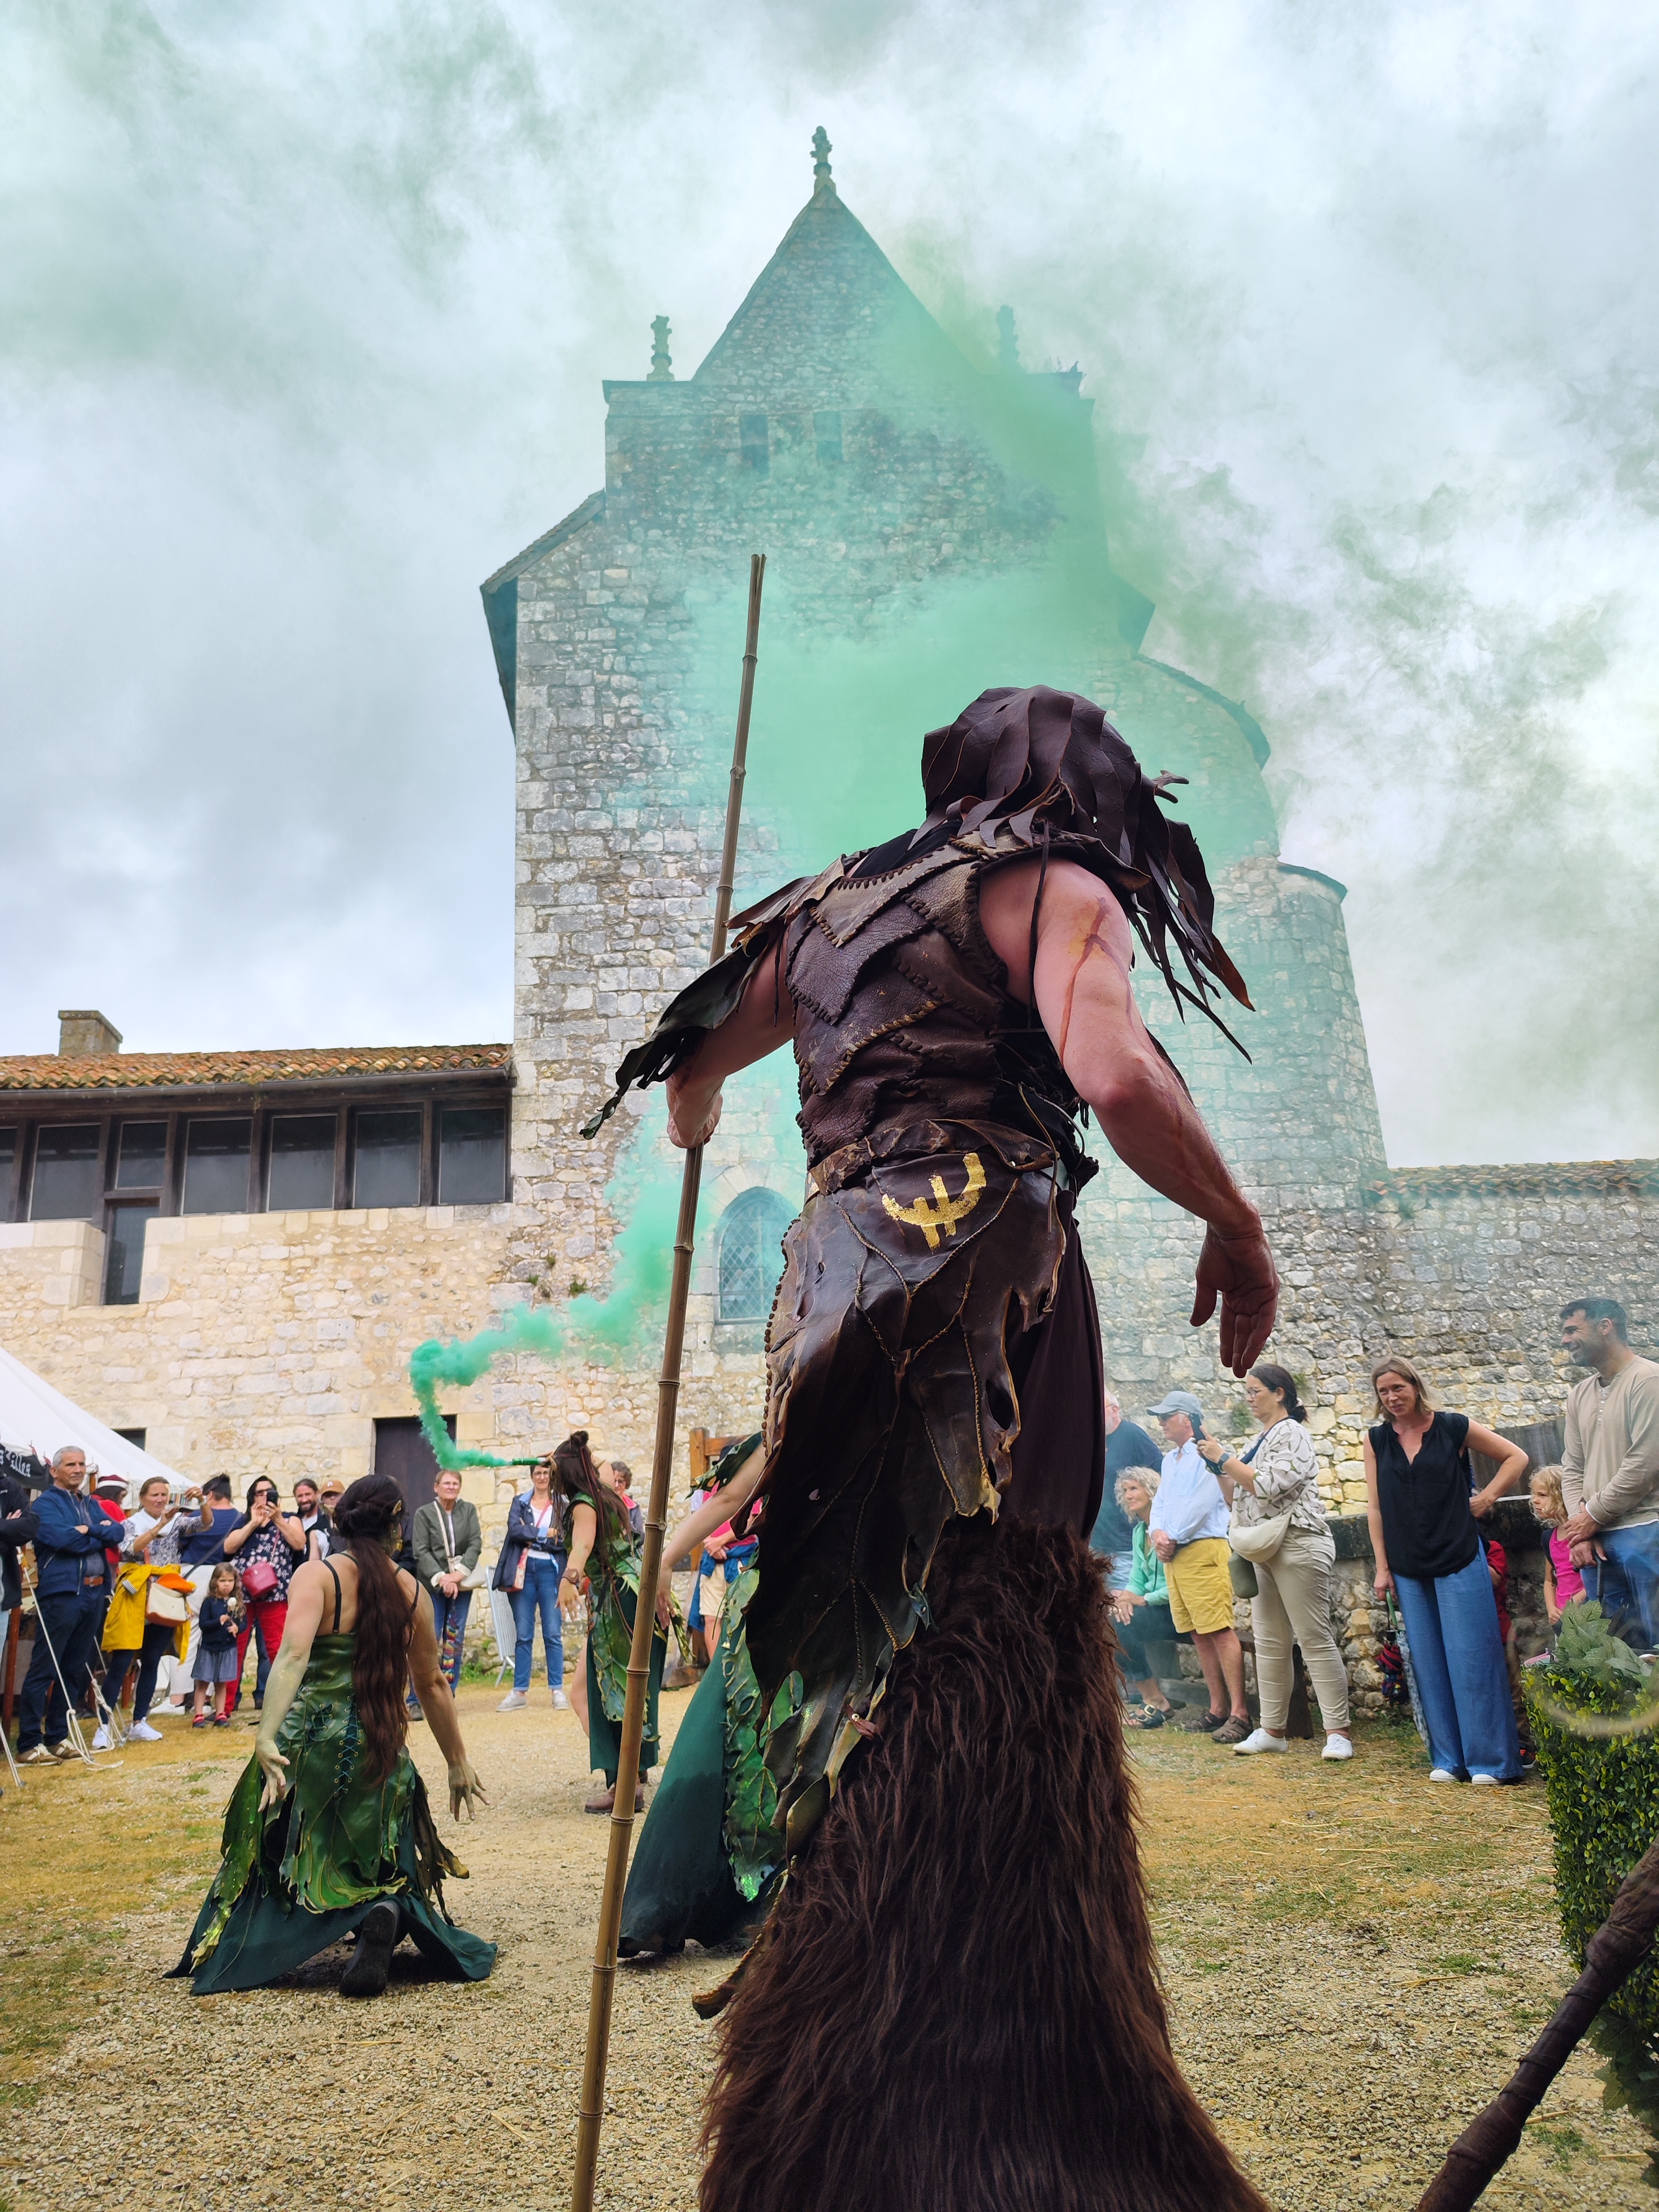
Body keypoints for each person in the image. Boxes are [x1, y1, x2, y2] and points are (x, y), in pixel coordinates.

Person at [586, 683, 1279, 2209]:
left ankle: (843, 2083)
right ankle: (1003, 2082)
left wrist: (706, 1092)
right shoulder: (1047, 881)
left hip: (835, 1287)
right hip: (984, 1276)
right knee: (983, 1628)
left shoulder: (829, 905)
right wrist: (1236, 1219)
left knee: (865, 1656)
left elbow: (692, 1073)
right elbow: (1108, 1075)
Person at [170, 1473, 495, 1997]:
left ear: (343, 1521)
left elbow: (293, 1655)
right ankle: (380, 1908)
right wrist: (457, 1761)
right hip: (382, 1745)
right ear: (396, 1526)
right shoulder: (411, 1589)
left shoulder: (318, 1577)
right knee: (382, 1832)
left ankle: (295, 1931)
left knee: (280, 1833)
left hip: (312, 1742)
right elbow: (432, 1683)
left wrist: (266, 1735)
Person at [618, 1434, 781, 1955]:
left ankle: (765, 1901)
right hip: (770, 1592)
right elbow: (732, 1497)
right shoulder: (794, 1403)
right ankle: (662, 1903)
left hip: (844, 1601)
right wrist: (664, 1558)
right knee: (709, 1737)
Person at [1365, 1355, 1527, 1784]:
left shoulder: (1453, 1426)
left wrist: (1487, 1497)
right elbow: (1376, 1507)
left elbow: (1516, 1457)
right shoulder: (1377, 1440)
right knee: (1429, 1665)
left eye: (1398, 1388)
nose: (1392, 1397)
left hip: (1458, 1554)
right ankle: (1448, 1760)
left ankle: (1491, 1764)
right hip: (1406, 1564)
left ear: (1415, 1386)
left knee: (1474, 1658)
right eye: (1383, 1391)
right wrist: (1382, 1568)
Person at [1197, 1365, 1353, 1760]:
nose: (1249, 1399)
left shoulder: (1293, 1433)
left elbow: (1267, 1487)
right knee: (1270, 1643)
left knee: (1314, 1638)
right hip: (1264, 1546)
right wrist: (1219, 1468)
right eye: (1246, 1393)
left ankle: (1338, 1733)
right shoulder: (1260, 1439)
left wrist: (1225, 1458)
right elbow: (1237, 1498)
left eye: (1255, 1391)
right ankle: (1272, 1731)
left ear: (1280, 1393)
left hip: (1298, 1541)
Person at [557, 1429, 671, 1813]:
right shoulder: (606, 1492)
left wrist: (569, 1577)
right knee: (617, 1687)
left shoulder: (584, 1503)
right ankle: (631, 1773)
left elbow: (583, 1544)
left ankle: (626, 1782)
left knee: (615, 1691)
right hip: (635, 1590)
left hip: (620, 1599)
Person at [1147, 1392, 1251, 1744]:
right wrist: (1156, 1532)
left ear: (1188, 1419)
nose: (1161, 1423)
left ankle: (1240, 1712)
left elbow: (1205, 1503)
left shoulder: (1208, 1451)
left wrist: (1170, 1536)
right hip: (1177, 1555)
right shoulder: (1169, 1460)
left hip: (1203, 1548)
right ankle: (1218, 1708)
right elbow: (1160, 1503)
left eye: (1167, 1416)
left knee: (1219, 1630)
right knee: (1198, 1633)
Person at [1558, 1297, 1659, 1653]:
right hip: (1595, 1545)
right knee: (1615, 1661)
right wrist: (1579, 1530)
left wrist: (1592, 1516)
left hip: (1646, 1533)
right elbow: (1571, 1468)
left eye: (1573, 1330)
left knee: (1657, 1651)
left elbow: (1645, 1463)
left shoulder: (1649, 1380)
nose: (1565, 1340)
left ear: (1606, 1326)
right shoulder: (1579, 1395)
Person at [15, 1446, 125, 1764]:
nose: (78, 1469)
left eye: (82, 1464)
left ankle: (58, 1737)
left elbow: (117, 1532)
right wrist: (98, 1535)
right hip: (63, 1594)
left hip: (93, 1594)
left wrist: (90, 1530)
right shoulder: (45, 1505)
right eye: (71, 1465)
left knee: (74, 1669)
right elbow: (65, 1542)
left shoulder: (91, 1504)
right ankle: (29, 1743)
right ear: (55, 1470)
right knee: (45, 1667)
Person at [220, 1476, 308, 1712]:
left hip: (276, 1594)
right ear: (252, 1498)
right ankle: (225, 1708)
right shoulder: (243, 1520)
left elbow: (300, 1543)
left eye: (269, 1492)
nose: (264, 1497)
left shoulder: (290, 1519)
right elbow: (228, 1548)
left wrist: (277, 1519)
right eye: (259, 1493)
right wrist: (252, 1523)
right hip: (242, 1596)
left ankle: (285, 1705)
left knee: (278, 1649)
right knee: (234, 1649)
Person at [493, 1454, 569, 1713]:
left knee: (552, 1632)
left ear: (551, 1476)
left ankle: (557, 1689)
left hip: (551, 1570)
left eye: (546, 1474)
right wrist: (542, 1534)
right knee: (523, 1634)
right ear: (532, 1476)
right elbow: (515, 1531)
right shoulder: (520, 1502)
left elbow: (562, 1539)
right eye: (538, 1473)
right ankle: (520, 1691)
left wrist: (534, 1536)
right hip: (524, 1571)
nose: (542, 1478)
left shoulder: (561, 1504)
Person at [1109, 1469, 1178, 1728]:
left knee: (1119, 1624)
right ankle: (1153, 1697)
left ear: (1152, 1491)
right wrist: (1126, 1598)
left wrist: (1145, 1599)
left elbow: (1178, 1583)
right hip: (1155, 1608)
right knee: (1111, 1619)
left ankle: (1156, 1701)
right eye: (1125, 1491)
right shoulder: (1140, 1532)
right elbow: (1136, 1578)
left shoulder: (1170, 1530)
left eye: (1134, 1488)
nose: (1128, 1495)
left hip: (1177, 1608)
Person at [412, 1469, 483, 1697]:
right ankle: (419, 1695)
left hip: (459, 1586)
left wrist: (456, 1576)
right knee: (429, 1639)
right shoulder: (424, 1514)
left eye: (455, 1484)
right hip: (433, 1586)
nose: (451, 1487)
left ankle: (447, 1693)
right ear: (436, 1487)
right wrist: (442, 1578)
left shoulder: (469, 1510)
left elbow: (475, 1544)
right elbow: (421, 1550)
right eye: (447, 1483)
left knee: (454, 1639)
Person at [1089, 1390, 1162, 1595]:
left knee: (1123, 1605)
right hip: (1094, 1542)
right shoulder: (1091, 1440)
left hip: (1124, 1543)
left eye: (1099, 1410)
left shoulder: (1132, 1435)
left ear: (1115, 1410)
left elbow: (1160, 1476)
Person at [1530, 1464, 1586, 1644]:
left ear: (1561, 1497)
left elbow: (1597, 1578)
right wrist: (1551, 1608)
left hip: (1585, 1613)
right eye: (1534, 1494)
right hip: (1561, 1618)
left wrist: (1576, 1602)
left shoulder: (1582, 1534)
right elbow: (1550, 1580)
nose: (1535, 1500)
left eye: (1542, 1495)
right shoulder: (1549, 1538)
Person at [192, 1564, 245, 1727]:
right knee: (203, 1682)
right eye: (223, 1581)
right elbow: (203, 1624)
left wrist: (237, 1627)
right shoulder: (209, 1602)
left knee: (222, 1683)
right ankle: (199, 1715)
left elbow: (244, 1622)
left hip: (228, 1648)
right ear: (215, 1582)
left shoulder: (237, 1603)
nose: (227, 1584)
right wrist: (218, 1621)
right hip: (209, 1648)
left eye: (230, 1581)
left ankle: (221, 1714)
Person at [292, 1478, 333, 1560]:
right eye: (300, 1496)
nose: (304, 1500)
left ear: (317, 1494)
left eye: (308, 1494)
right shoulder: (294, 1522)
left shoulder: (328, 1521)